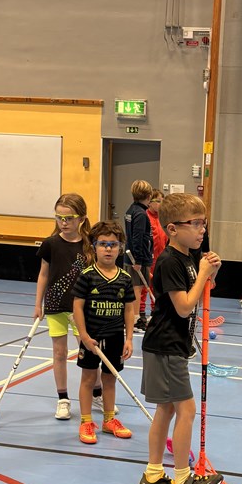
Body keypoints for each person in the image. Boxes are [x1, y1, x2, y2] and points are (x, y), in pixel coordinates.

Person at [135, 192, 224, 484]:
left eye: (204, 224)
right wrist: (203, 273)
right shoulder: (171, 260)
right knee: (186, 410)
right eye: (195, 224)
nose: (202, 230)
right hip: (165, 346)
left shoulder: (188, 257)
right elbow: (185, 306)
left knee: (167, 409)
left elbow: (201, 289)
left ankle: (152, 476)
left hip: (172, 346)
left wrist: (209, 273)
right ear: (172, 229)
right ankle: (183, 479)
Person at [34, 193, 100, 420]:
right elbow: (43, 275)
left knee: (89, 352)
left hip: (82, 309)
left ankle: (97, 394)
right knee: (59, 353)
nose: (63, 223)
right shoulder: (50, 244)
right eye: (59, 218)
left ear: (81, 218)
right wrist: (38, 304)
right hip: (55, 306)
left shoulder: (89, 245)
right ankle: (63, 399)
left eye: (69, 218)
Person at [71, 221, 135, 445]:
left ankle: (109, 420)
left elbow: (129, 310)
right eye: (103, 244)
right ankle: (86, 421)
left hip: (115, 337)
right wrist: (84, 336)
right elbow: (77, 307)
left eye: (113, 244)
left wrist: (129, 338)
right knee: (89, 378)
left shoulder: (125, 278)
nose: (108, 249)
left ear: (120, 248)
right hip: (92, 338)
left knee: (110, 379)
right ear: (94, 247)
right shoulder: (87, 275)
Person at [124, 179, 154, 332]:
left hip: (132, 257)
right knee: (136, 288)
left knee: (136, 287)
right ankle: (135, 319)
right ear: (149, 196)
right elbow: (138, 237)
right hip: (137, 259)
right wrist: (138, 260)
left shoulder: (131, 210)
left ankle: (134, 318)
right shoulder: (141, 214)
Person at [138, 189, 168, 320]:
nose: (161, 204)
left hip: (160, 258)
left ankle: (156, 312)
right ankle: (141, 313)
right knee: (144, 286)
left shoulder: (162, 219)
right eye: (158, 201)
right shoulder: (145, 217)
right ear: (150, 202)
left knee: (157, 287)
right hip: (148, 258)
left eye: (163, 201)